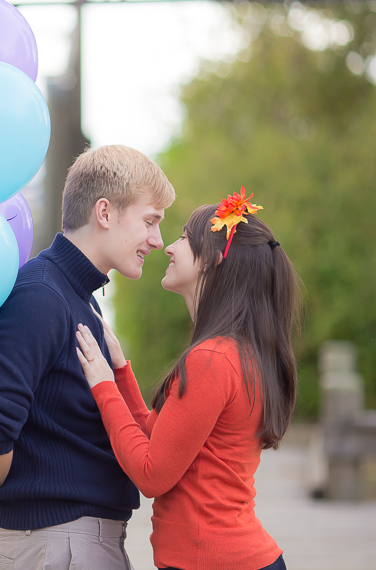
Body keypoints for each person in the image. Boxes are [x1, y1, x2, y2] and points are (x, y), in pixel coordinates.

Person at [0, 145, 175, 570]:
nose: (157, 240)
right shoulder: (40, 296)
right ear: (105, 212)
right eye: (150, 221)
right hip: (58, 547)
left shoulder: (76, 298)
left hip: (71, 544)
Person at [75, 188, 299, 570]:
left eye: (182, 237)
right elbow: (165, 441)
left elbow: (152, 473)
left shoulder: (211, 360)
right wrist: (120, 373)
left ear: (211, 261)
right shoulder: (237, 353)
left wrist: (103, 387)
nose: (169, 247)